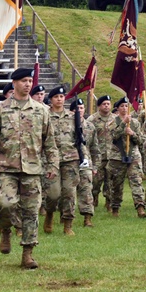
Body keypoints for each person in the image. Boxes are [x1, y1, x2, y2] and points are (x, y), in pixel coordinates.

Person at [0, 68, 59, 269]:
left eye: (30, 80)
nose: (28, 84)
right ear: (14, 83)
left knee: (31, 212)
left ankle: (28, 253)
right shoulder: (0, 110)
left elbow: (49, 142)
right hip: (6, 167)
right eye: (24, 81)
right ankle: (5, 231)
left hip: (32, 169)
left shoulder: (41, 110)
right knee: (5, 204)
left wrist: (53, 164)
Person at [42, 86, 80, 235]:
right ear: (51, 100)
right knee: (53, 194)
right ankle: (50, 213)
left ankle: (68, 224)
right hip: (51, 160)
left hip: (70, 158)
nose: (59, 99)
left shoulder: (72, 116)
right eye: (56, 96)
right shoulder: (45, 116)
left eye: (62, 96)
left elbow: (79, 138)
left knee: (69, 193)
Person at [106, 98, 146, 218]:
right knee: (116, 184)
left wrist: (133, 134)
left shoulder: (135, 123)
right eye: (121, 106)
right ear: (117, 108)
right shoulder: (112, 122)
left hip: (133, 156)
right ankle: (115, 208)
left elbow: (142, 140)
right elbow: (113, 136)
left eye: (126, 106)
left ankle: (140, 208)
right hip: (117, 157)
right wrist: (123, 125)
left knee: (136, 182)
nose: (124, 108)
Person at [86, 95, 114, 211]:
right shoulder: (92, 119)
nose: (106, 106)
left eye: (108, 104)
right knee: (96, 181)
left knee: (110, 180)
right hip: (98, 156)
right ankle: (94, 199)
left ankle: (109, 202)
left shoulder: (115, 118)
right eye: (104, 104)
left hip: (112, 154)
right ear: (99, 106)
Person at [73, 98, 97, 227]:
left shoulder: (90, 126)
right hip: (69, 160)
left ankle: (87, 218)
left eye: (82, 108)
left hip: (86, 162)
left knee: (86, 190)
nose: (80, 110)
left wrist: (95, 165)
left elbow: (95, 147)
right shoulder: (67, 124)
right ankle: (65, 216)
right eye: (77, 108)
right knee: (68, 192)